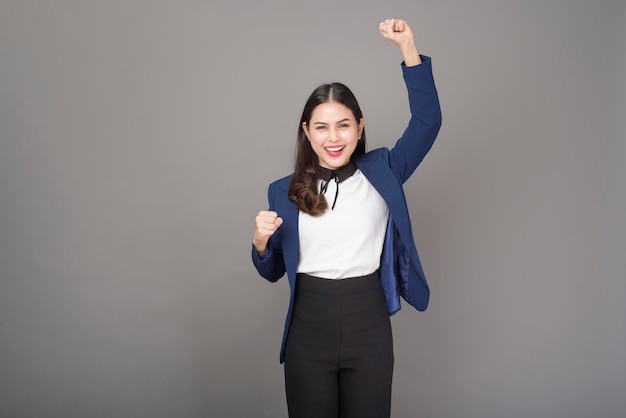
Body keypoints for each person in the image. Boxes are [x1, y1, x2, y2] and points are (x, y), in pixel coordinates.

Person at [251, 18, 441, 418]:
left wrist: (408, 48)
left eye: (343, 125)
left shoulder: (384, 169)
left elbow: (427, 123)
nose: (333, 138)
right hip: (308, 326)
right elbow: (272, 271)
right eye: (321, 127)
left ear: (359, 128)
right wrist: (260, 244)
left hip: (368, 321)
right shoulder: (281, 190)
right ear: (307, 131)